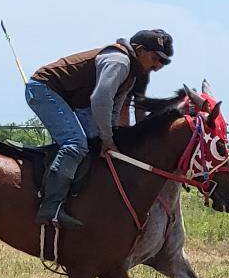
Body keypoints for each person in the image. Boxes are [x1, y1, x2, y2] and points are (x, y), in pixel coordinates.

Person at [26, 29, 173, 226]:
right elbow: (100, 100)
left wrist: (110, 141)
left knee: (95, 143)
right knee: (76, 144)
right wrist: (108, 140)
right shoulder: (119, 63)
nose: (157, 66)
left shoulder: (132, 73)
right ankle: (50, 206)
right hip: (43, 89)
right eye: (155, 58)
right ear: (139, 50)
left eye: (161, 62)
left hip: (71, 99)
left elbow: (113, 110)